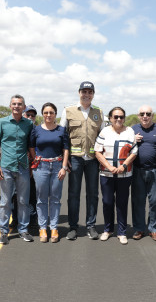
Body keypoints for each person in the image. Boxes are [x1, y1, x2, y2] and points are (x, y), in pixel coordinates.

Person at [59, 81, 104, 241]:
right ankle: (73, 227)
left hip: (92, 160)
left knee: (93, 194)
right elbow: (62, 136)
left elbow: (102, 136)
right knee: (73, 194)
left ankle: (91, 226)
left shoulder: (99, 112)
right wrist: (65, 159)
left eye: (90, 92)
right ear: (79, 93)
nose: (87, 94)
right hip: (75, 160)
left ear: (93, 94)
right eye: (84, 91)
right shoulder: (69, 111)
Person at [0, 94, 34, 245]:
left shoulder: (28, 124)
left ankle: (23, 229)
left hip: (23, 167)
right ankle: (4, 231)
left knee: (23, 201)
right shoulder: (2, 123)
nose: (17, 106)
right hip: (6, 167)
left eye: (20, 104)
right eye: (14, 104)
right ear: (10, 106)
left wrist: (32, 164)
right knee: (5, 201)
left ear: (24, 107)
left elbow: (31, 145)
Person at [94, 107, 137, 245]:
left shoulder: (130, 131)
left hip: (125, 174)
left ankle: (122, 232)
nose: (119, 119)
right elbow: (98, 152)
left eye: (121, 117)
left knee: (122, 202)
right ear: (110, 118)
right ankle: (108, 229)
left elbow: (134, 152)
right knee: (107, 202)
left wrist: (123, 166)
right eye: (116, 117)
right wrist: (109, 167)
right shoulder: (105, 131)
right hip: (106, 174)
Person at [29, 102, 69, 243]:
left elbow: (65, 149)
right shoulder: (36, 130)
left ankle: (54, 228)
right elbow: (32, 147)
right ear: (42, 114)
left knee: (55, 199)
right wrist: (37, 160)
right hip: (41, 167)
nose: (48, 115)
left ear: (55, 114)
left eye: (51, 112)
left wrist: (64, 167)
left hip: (57, 166)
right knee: (41, 199)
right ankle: (42, 228)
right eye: (46, 112)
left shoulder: (61, 130)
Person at [131, 105, 156, 241]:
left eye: (148, 114)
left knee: (155, 201)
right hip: (137, 170)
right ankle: (139, 228)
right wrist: (132, 140)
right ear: (138, 116)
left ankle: (154, 229)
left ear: (152, 115)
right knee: (138, 201)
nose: (145, 116)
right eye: (142, 114)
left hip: (155, 170)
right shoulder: (132, 129)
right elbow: (125, 147)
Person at [11, 105, 39, 229]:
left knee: (32, 194)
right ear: (23, 114)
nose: (30, 117)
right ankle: (15, 218)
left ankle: (32, 218)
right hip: (17, 167)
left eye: (33, 115)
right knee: (15, 195)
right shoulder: (18, 128)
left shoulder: (37, 130)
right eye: (28, 114)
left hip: (33, 167)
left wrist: (33, 166)